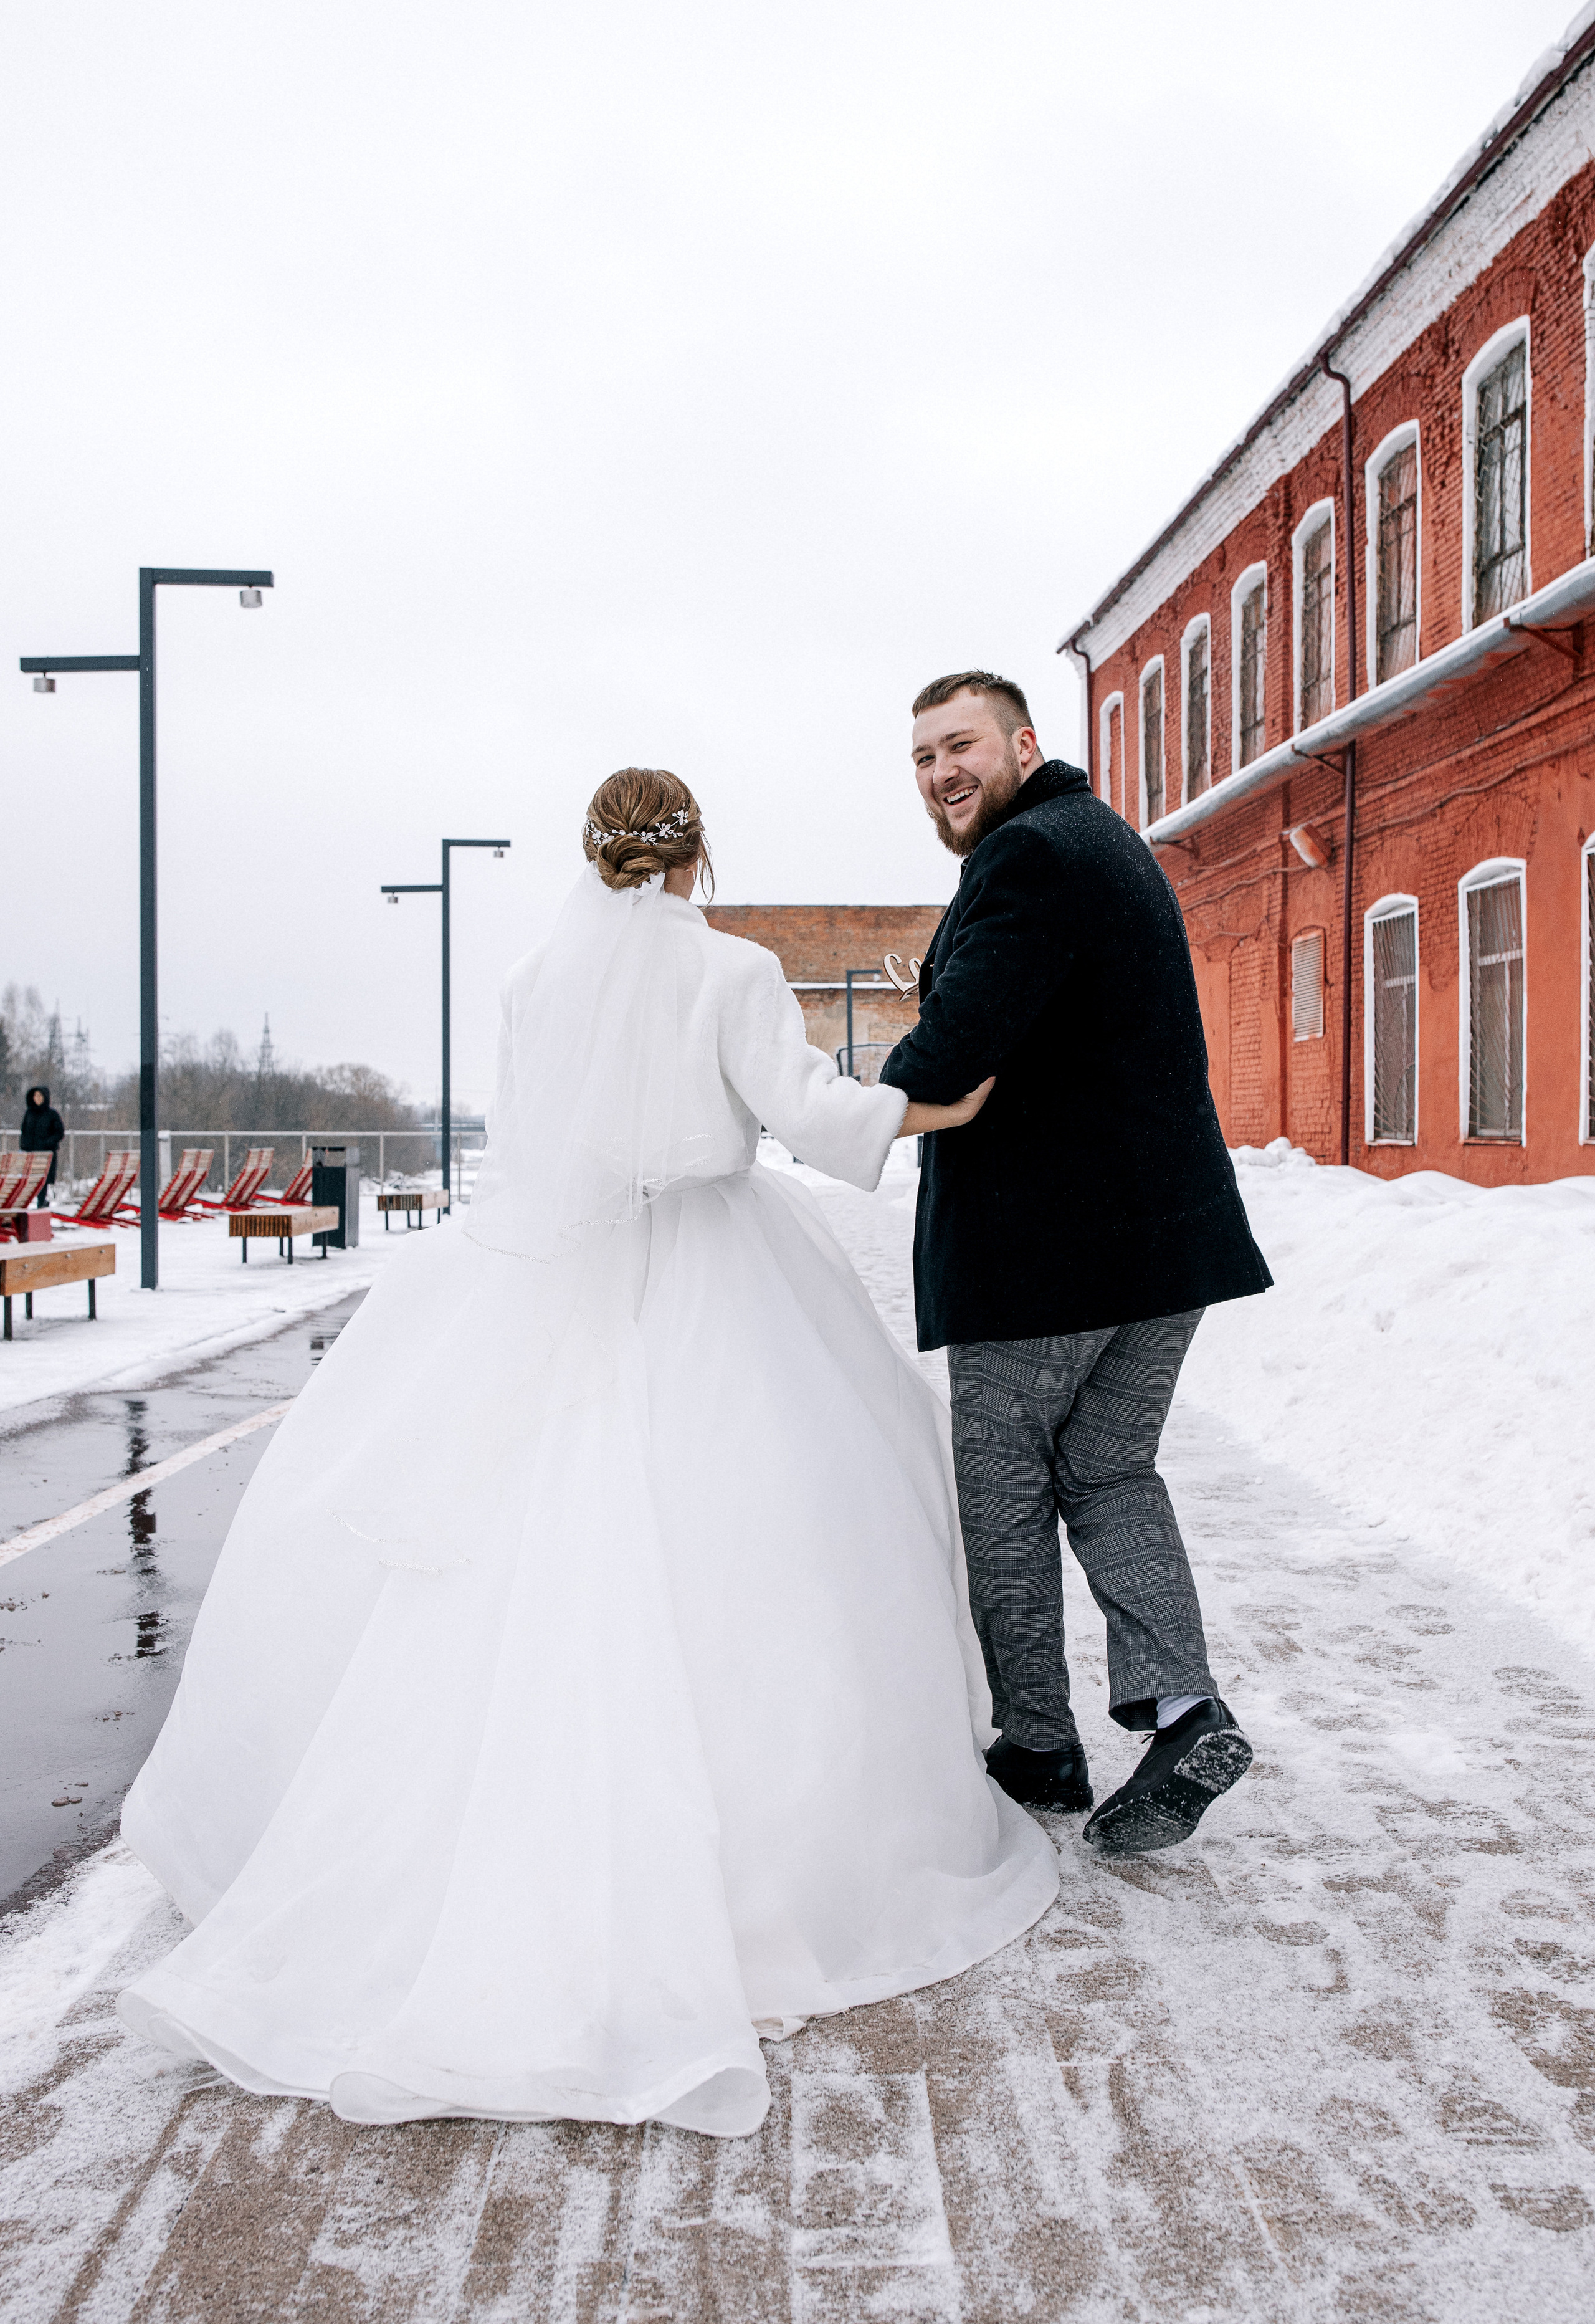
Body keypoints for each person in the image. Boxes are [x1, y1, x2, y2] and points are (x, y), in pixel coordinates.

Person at [118, 768, 1057, 2138]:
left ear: (588, 855)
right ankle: (760, 1878)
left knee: (508, 1553)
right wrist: (938, 1108)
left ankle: (458, 1870)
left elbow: (534, 1140)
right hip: (714, 1272)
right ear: (697, 855)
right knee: (759, 1548)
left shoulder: (527, 979)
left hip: (546, 1272)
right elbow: (806, 1114)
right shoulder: (732, 973)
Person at [880, 672, 1273, 1858]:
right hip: (1165, 1250)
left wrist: (822, 1111)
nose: (942, 771)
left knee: (1002, 1492)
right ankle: (1181, 1708)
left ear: (1023, 743)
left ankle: (1037, 1747)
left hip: (1051, 1262)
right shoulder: (1102, 844)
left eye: (961, 745)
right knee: (1107, 1473)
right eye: (921, 757)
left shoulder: (1028, 859)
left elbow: (951, 1059)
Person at [20, 1084, 64, 1205]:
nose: (37, 1098)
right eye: (35, 1095)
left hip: (46, 1154)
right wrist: (24, 1145)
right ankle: (32, 1204)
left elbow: (59, 1133)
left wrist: (47, 1144)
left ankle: (41, 1203)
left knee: (43, 1180)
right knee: (31, 1180)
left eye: (40, 1096)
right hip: (31, 1153)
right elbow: (24, 1131)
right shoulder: (29, 1113)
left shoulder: (52, 1114)